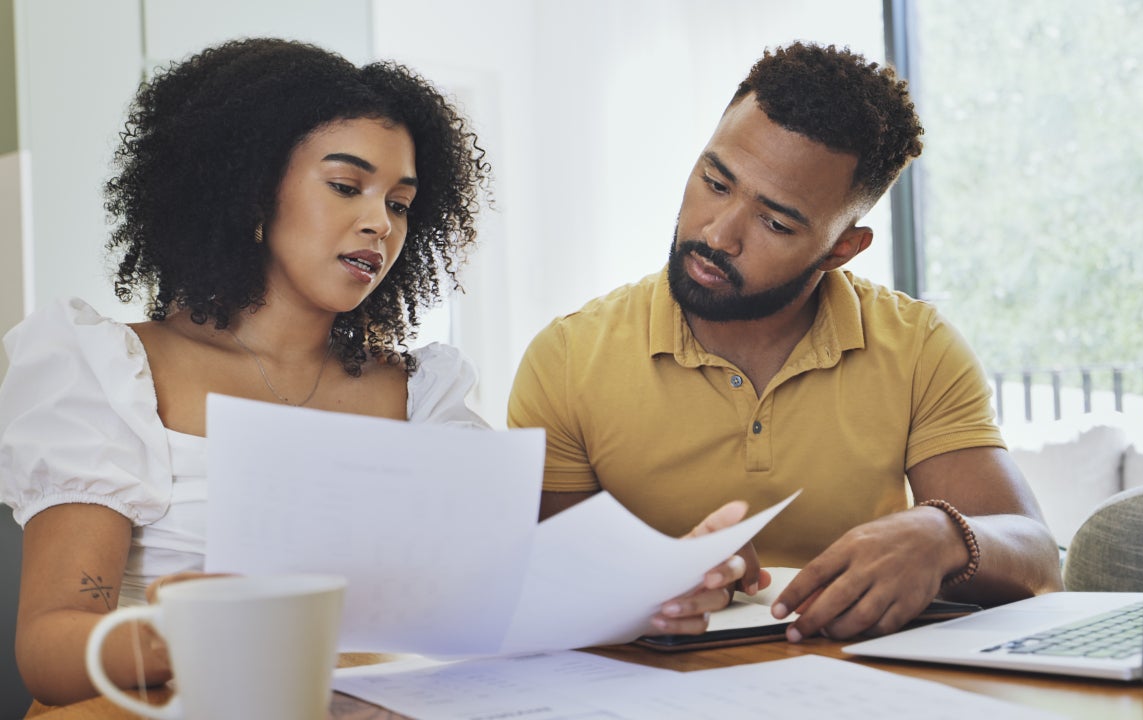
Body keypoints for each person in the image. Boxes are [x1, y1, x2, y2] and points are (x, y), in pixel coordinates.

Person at [508, 42, 1064, 642]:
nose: (718, 233)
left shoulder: (917, 347)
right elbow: (533, 584)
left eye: (775, 222)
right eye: (716, 182)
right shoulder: (567, 358)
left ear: (840, 249)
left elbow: (1036, 559)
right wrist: (655, 576)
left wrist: (945, 536)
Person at [0, 38, 491, 706]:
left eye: (400, 203)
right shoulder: (109, 371)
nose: (379, 222)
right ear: (252, 192)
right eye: (347, 187)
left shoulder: (425, 395)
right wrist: (188, 637)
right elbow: (50, 653)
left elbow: (478, 611)